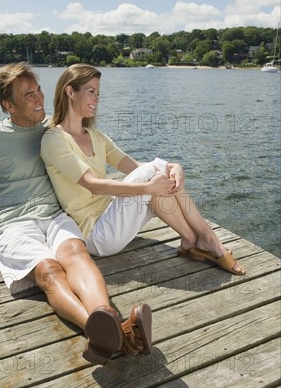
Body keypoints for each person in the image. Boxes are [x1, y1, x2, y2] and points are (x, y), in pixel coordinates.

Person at [0, 62, 152, 366]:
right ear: (8, 105)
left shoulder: (53, 130)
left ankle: (106, 326)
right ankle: (108, 332)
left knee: (76, 255)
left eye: (39, 90)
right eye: (28, 95)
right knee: (50, 272)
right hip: (13, 224)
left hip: (54, 215)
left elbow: (88, 141)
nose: (39, 98)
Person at [40, 63, 246, 276]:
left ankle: (191, 240)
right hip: (97, 236)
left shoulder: (96, 136)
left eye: (98, 93)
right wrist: (150, 184)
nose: (97, 98)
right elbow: (94, 186)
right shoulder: (54, 139)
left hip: (114, 219)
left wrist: (175, 167)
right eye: (91, 91)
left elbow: (136, 167)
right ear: (70, 91)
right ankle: (211, 240)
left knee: (156, 174)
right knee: (153, 175)